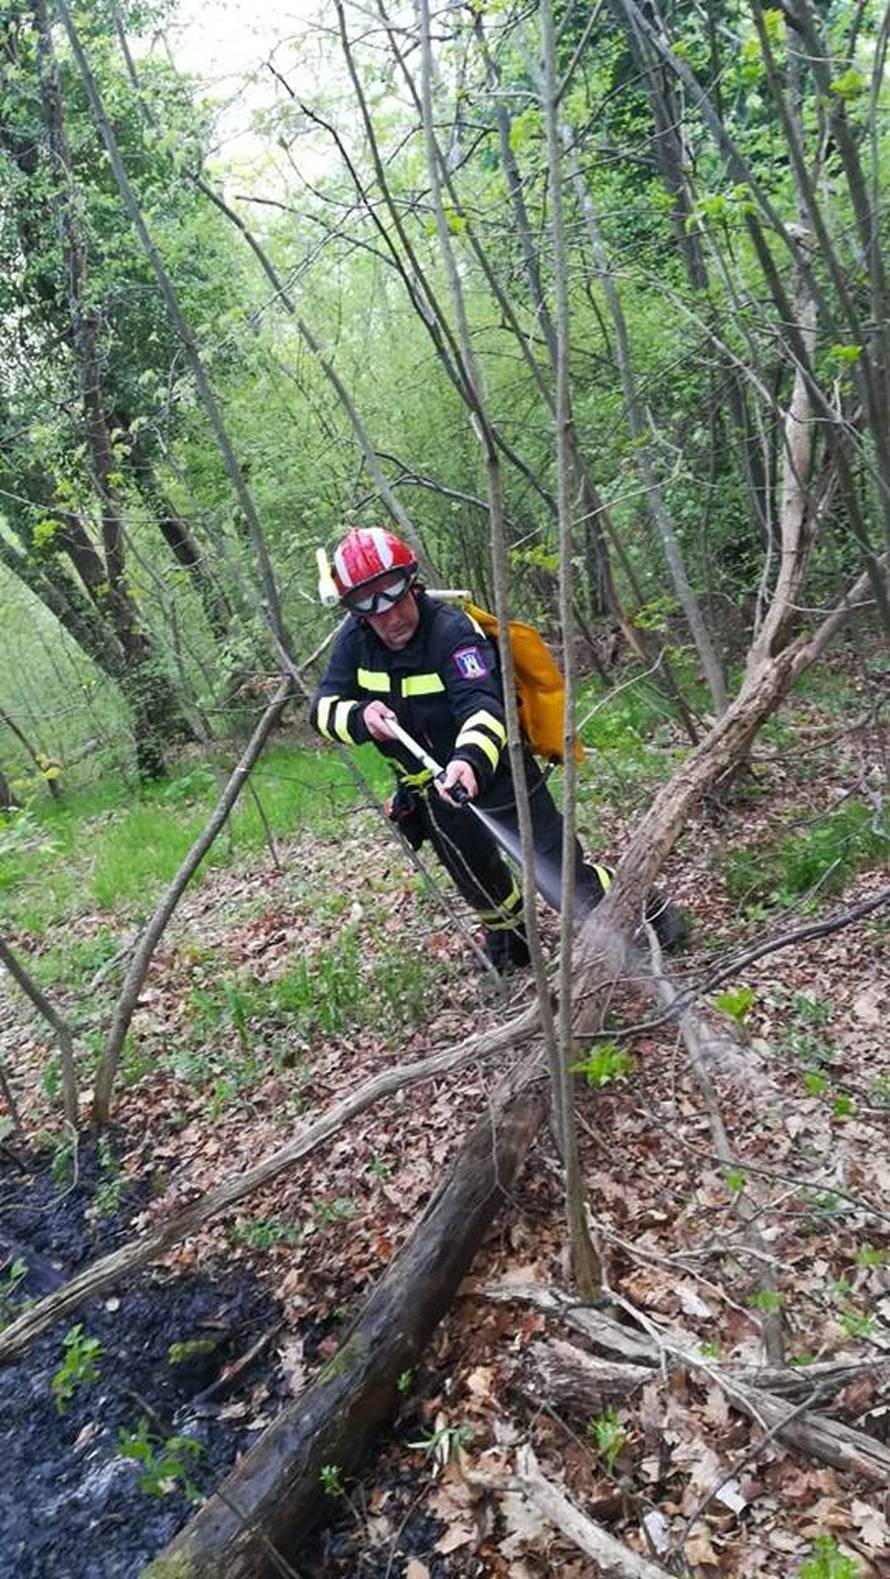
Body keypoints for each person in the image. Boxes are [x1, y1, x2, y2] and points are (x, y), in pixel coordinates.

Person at [310, 526, 681, 972]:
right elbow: (322, 710)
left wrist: (467, 762)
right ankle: (513, 944)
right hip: (428, 792)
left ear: (413, 583)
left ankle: (651, 911)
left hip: (497, 773)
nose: (390, 619)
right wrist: (359, 717)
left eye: (396, 599)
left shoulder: (451, 631)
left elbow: (484, 708)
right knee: (477, 881)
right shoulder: (354, 642)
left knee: (562, 880)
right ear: (355, 610)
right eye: (372, 609)